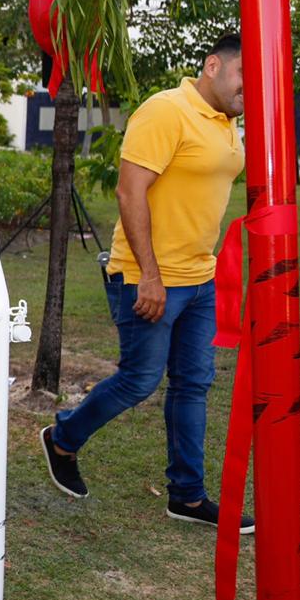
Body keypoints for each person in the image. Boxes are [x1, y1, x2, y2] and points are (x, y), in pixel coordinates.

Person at [40, 34, 256, 534]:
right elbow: (129, 190)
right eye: (245, 74)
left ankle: (187, 495)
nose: (250, 88)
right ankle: (62, 438)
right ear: (212, 65)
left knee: (193, 385)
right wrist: (151, 277)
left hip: (200, 278)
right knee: (140, 379)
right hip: (148, 277)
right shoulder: (166, 111)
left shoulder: (228, 123)